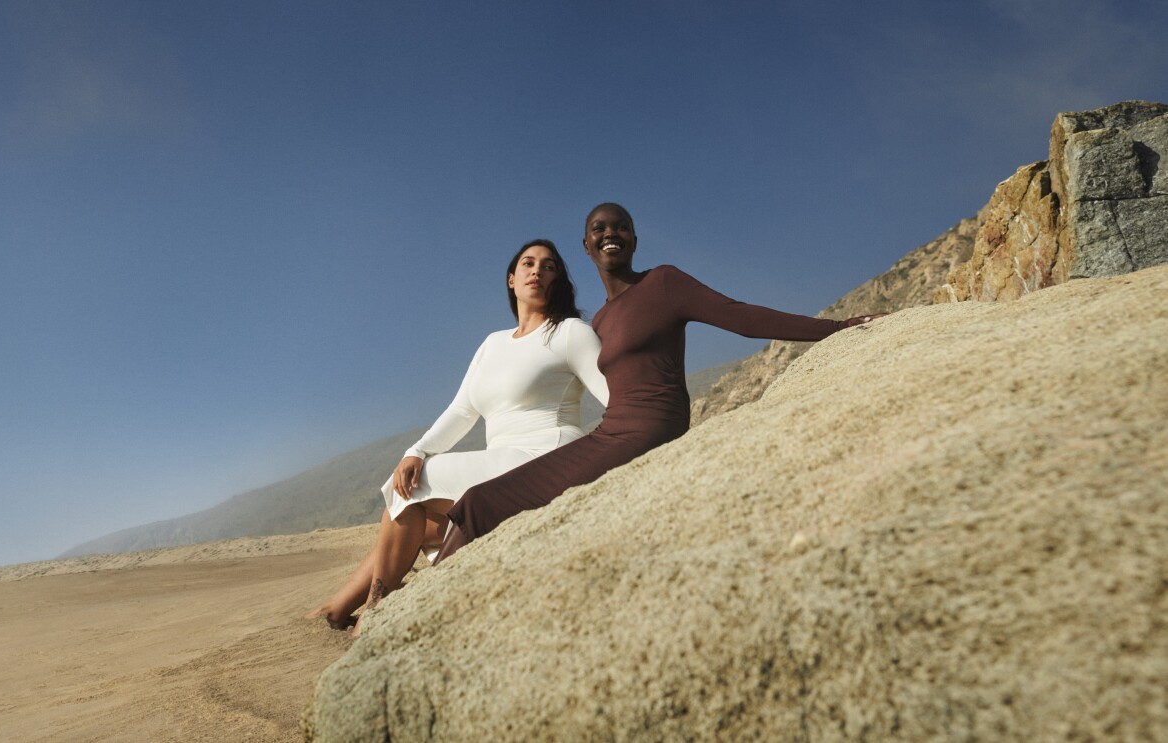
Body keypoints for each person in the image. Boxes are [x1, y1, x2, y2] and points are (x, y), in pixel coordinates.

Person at [435, 203, 882, 562]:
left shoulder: (664, 283)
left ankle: (430, 603)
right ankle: (424, 599)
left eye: (621, 226)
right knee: (478, 501)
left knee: (485, 502)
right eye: (599, 228)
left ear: (633, 239)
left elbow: (740, 316)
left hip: (650, 431)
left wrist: (837, 326)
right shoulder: (602, 321)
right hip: (610, 433)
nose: (610, 233)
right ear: (587, 246)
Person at [307, 239, 608, 630]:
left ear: (559, 280)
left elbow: (615, 398)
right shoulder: (492, 343)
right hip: (502, 466)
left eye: (549, 266)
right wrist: (417, 451)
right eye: (528, 264)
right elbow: (463, 409)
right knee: (413, 512)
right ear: (511, 279)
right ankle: (341, 606)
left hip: (546, 456)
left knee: (414, 488)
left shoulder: (570, 333)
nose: (537, 271)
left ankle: (375, 608)